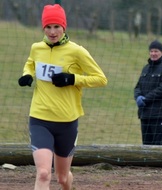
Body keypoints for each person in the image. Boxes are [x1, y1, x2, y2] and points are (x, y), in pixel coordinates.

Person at [18, 4, 107, 190]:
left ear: (64, 27)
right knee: (43, 174)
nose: (52, 32)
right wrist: (27, 74)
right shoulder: (36, 48)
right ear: (43, 28)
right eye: (48, 27)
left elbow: (101, 79)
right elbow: (30, 64)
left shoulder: (77, 51)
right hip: (40, 118)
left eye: (56, 27)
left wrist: (72, 78)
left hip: (66, 121)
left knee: (62, 178)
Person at [134, 40, 162, 145]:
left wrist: (145, 99)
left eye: (156, 51)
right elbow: (138, 86)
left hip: (160, 114)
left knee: (160, 145)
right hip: (145, 114)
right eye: (151, 51)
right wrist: (138, 96)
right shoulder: (146, 68)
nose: (153, 53)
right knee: (146, 146)